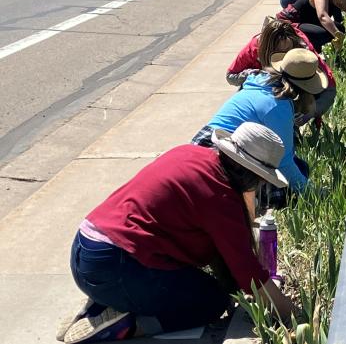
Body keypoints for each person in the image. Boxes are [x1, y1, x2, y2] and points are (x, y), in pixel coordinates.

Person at [58, 123, 300, 344]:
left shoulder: (191, 154)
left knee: (193, 283)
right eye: (259, 180)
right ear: (249, 173)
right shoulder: (220, 195)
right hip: (114, 266)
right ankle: (125, 325)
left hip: (86, 248)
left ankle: (101, 306)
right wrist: (294, 315)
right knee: (210, 302)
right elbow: (248, 274)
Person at [192, 48, 329, 193]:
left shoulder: (261, 82)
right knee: (280, 192)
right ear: (306, 90)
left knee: (298, 166)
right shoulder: (278, 106)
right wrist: (313, 192)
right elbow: (284, 164)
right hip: (220, 152)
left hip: (205, 141)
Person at [226, 18, 337, 117]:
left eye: (288, 51)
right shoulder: (254, 48)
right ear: (264, 49)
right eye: (277, 53)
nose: (282, 58)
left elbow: (330, 90)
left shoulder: (304, 52)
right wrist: (249, 74)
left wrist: (310, 113)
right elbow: (230, 76)